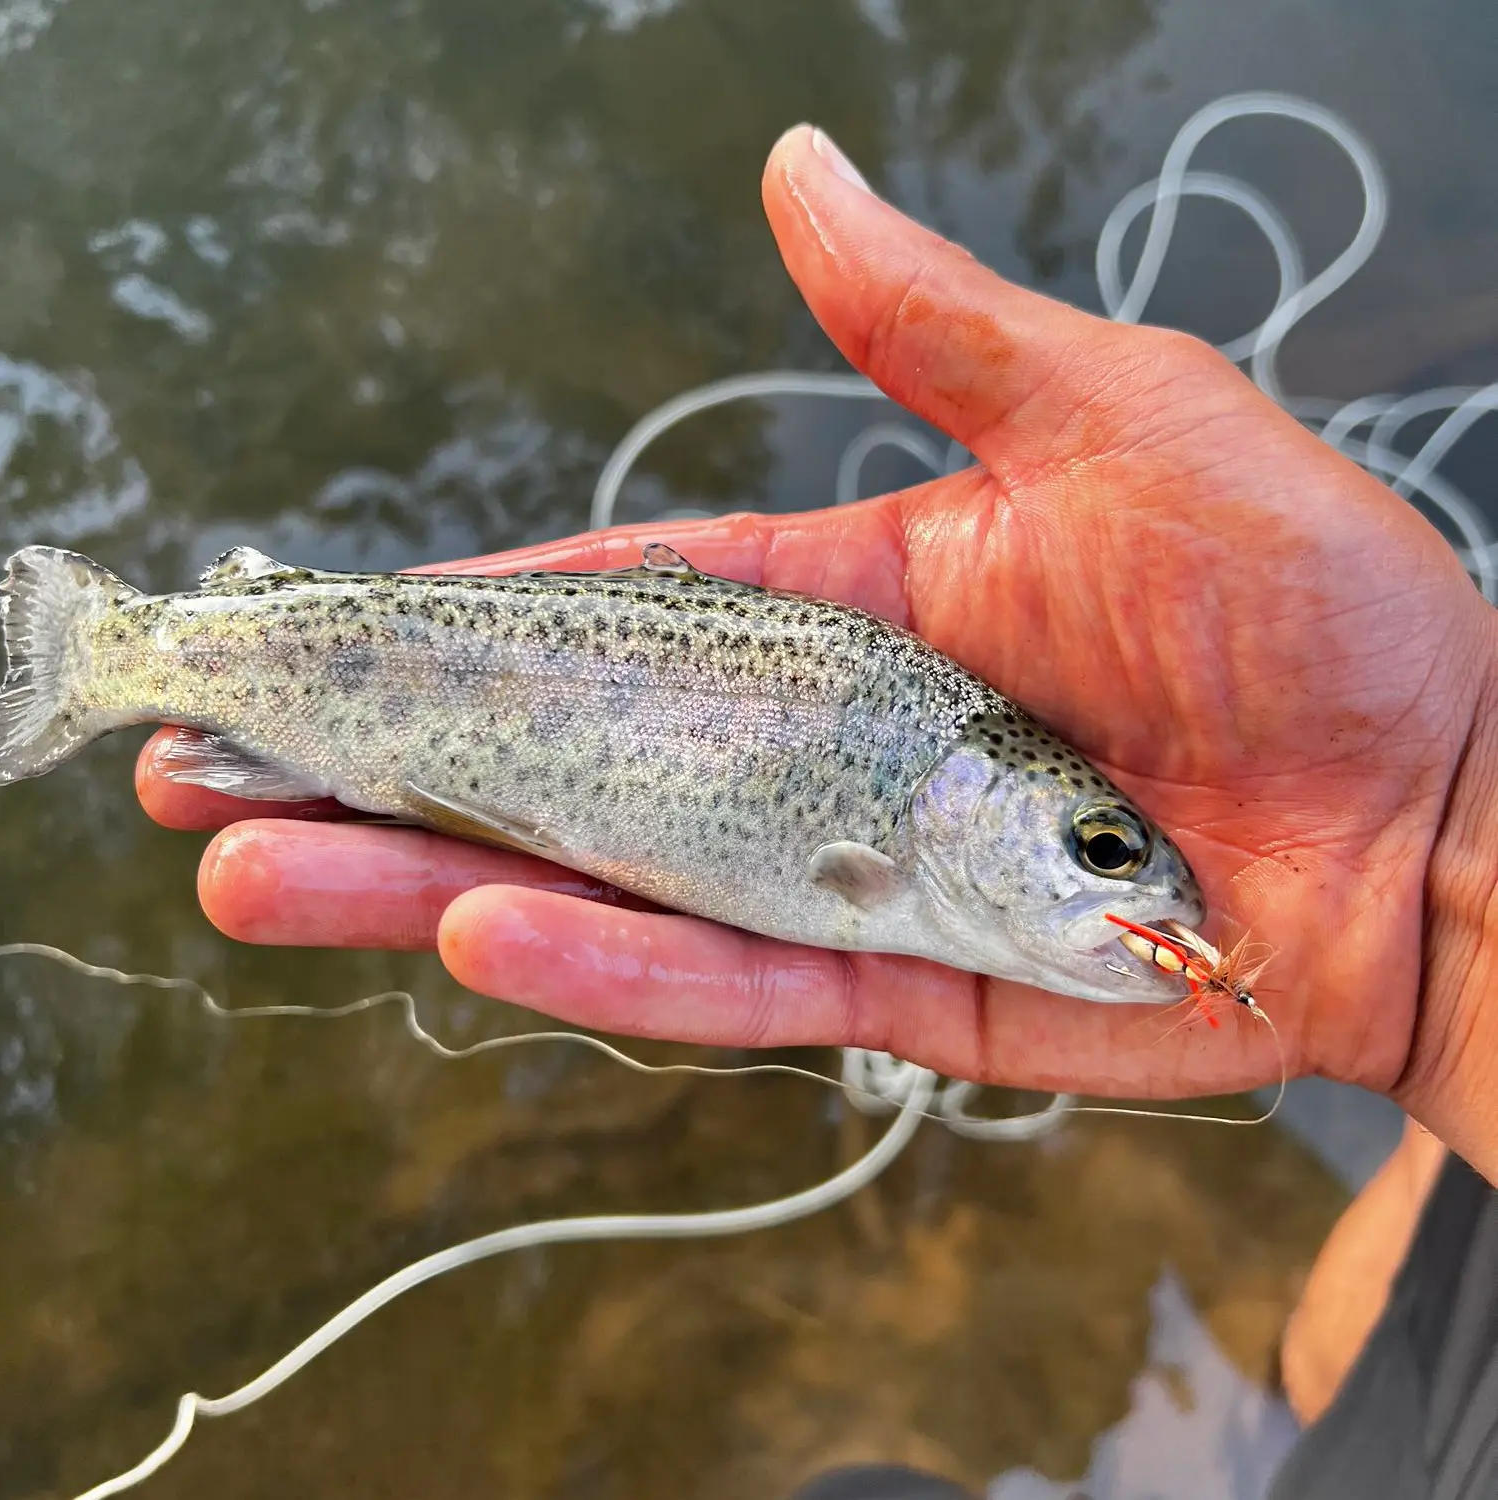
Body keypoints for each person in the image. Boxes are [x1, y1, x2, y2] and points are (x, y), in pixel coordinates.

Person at [134, 127, 1498, 1497]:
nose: (1144, 903)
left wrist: (1451, 866)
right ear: (972, 802)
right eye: (1104, 845)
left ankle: (1319, 1411)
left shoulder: (945, 810)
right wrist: (1449, 844)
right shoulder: (908, 807)